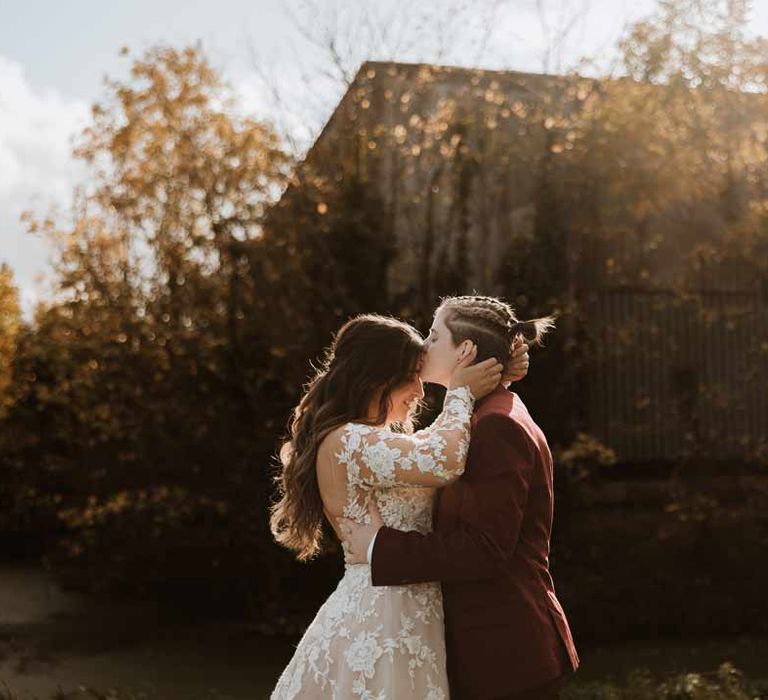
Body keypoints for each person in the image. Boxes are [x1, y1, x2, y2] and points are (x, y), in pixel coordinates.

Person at [269, 311, 528, 699]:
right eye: (411, 377)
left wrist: (497, 369)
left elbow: (435, 443)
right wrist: (458, 393)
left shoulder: (367, 440)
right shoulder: (351, 441)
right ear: (376, 378)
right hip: (383, 616)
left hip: (402, 605)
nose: (421, 392)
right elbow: (443, 460)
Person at [339, 295, 580, 700]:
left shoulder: (496, 426)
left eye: (433, 336)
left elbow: (484, 548)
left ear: (465, 350)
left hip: (505, 655)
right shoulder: (479, 416)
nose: (422, 345)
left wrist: (380, 549)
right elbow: (436, 455)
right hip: (493, 651)